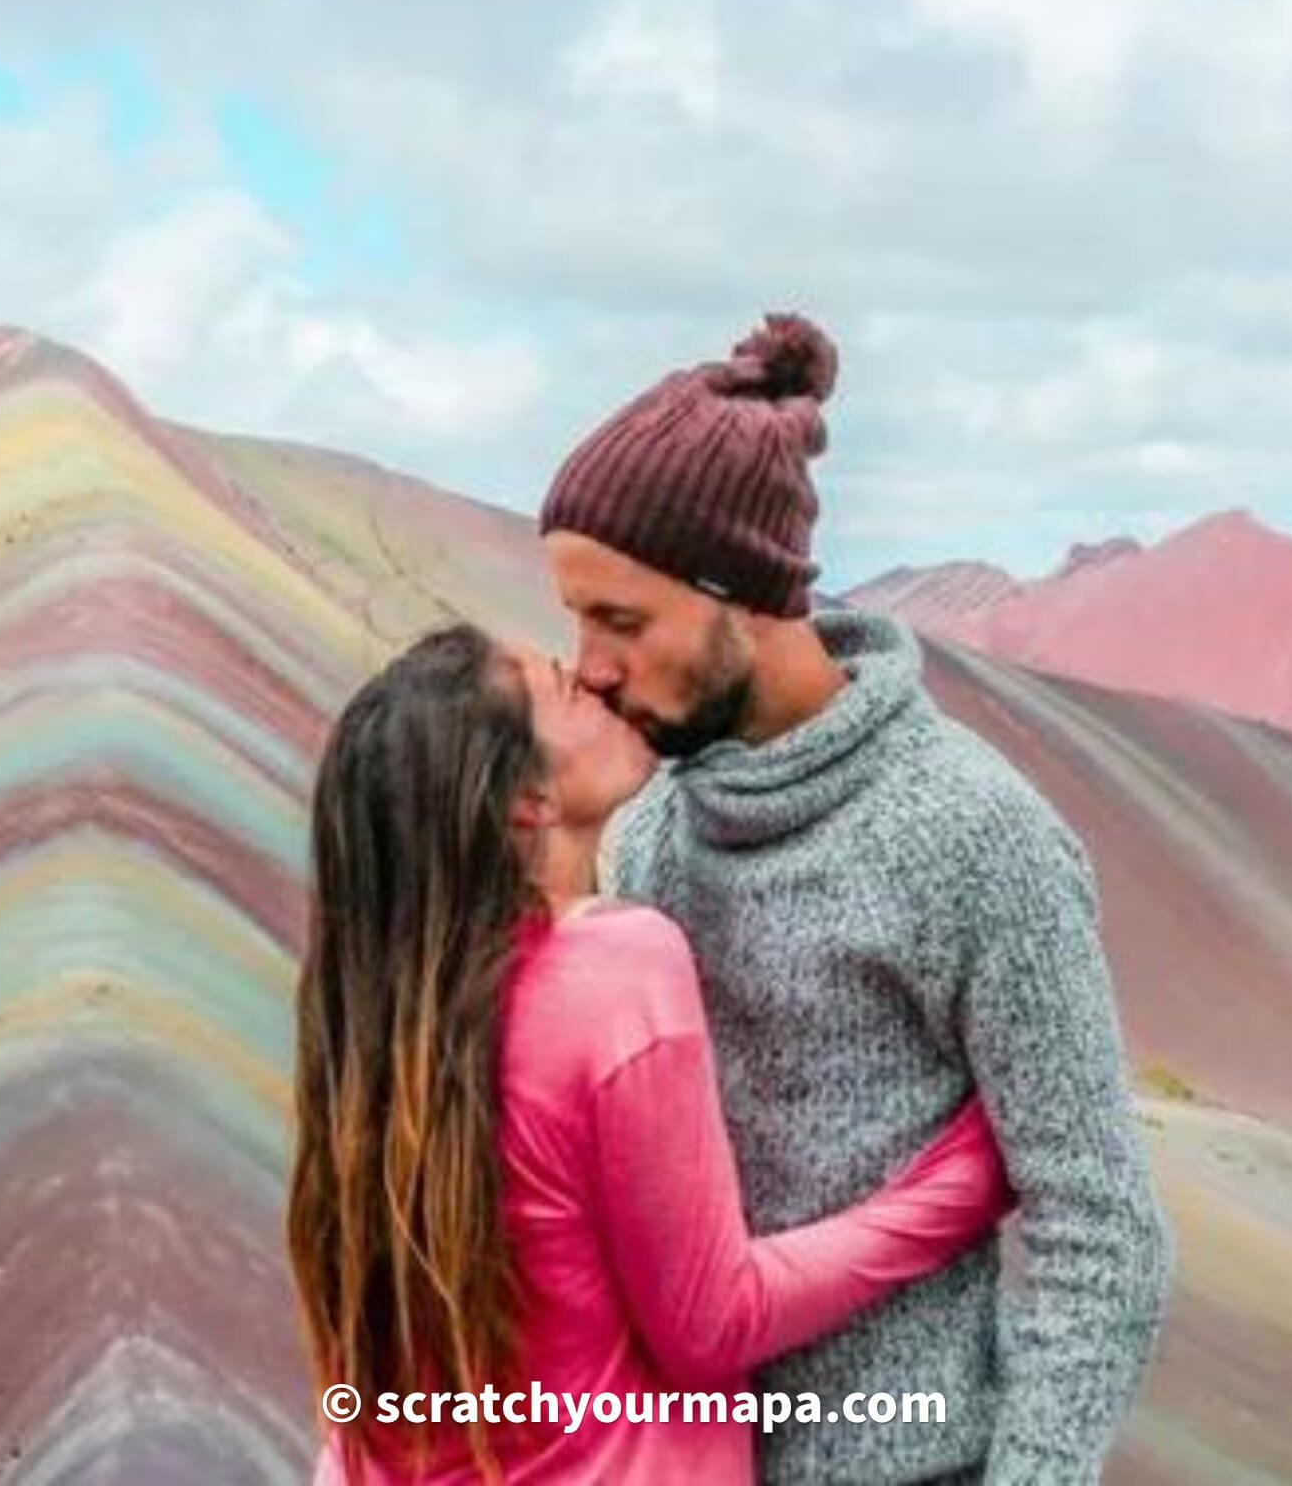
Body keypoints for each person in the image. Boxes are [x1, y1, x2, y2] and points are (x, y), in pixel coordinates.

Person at [539, 311, 1173, 1485]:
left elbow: (1102, 1233)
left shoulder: (979, 837)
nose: (589, 665)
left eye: (620, 619)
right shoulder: (658, 829)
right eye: (578, 620)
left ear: (744, 594)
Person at [289, 620, 1016, 1485]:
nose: (595, 682)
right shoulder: (615, 966)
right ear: (528, 799)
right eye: (564, 686)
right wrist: (970, 1176)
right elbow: (712, 1323)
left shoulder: (380, 1034)